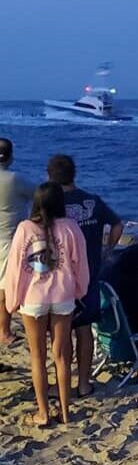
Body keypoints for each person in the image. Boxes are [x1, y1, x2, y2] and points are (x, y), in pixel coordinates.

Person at [4, 182, 89, 426]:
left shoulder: (25, 228)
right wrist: (80, 290)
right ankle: (65, 411)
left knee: (38, 358)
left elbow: (16, 269)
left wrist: (12, 301)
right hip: (63, 297)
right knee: (62, 356)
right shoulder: (71, 227)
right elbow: (80, 264)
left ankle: (43, 413)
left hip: (33, 299)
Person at [47, 154, 123, 398]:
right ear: (74, 174)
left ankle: (63, 382)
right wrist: (106, 249)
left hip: (59, 277)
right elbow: (118, 225)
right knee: (84, 329)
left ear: (50, 176)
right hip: (89, 272)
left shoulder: (51, 205)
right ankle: (84, 383)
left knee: (62, 331)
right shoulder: (92, 200)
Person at [0, 138, 34, 349]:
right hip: (8, 241)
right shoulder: (14, 179)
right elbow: (41, 194)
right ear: (10, 156)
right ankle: (4, 331)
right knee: (4, 288)